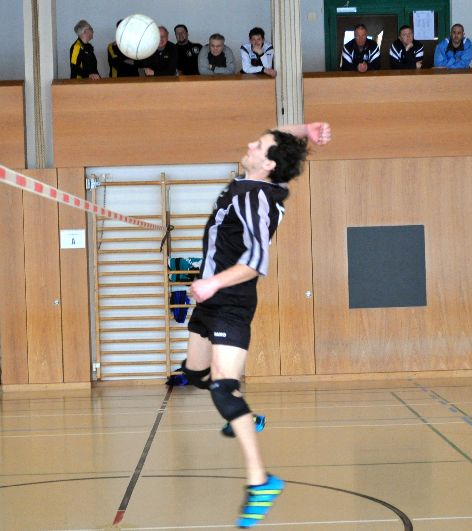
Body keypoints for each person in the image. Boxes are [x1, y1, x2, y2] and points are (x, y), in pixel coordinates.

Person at [181, 121, 331, 528]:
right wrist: (306, 130)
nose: (250, 143)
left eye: (258, 145)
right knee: (194, 374)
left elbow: (255, 262)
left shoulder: (255, 197)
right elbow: (277, 133)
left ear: (268, 165)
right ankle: (246, 417)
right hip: (212, 299)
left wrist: (212, 283)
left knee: (223, 388)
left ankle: (261, 481)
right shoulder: (254, 183)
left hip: (229, 299)